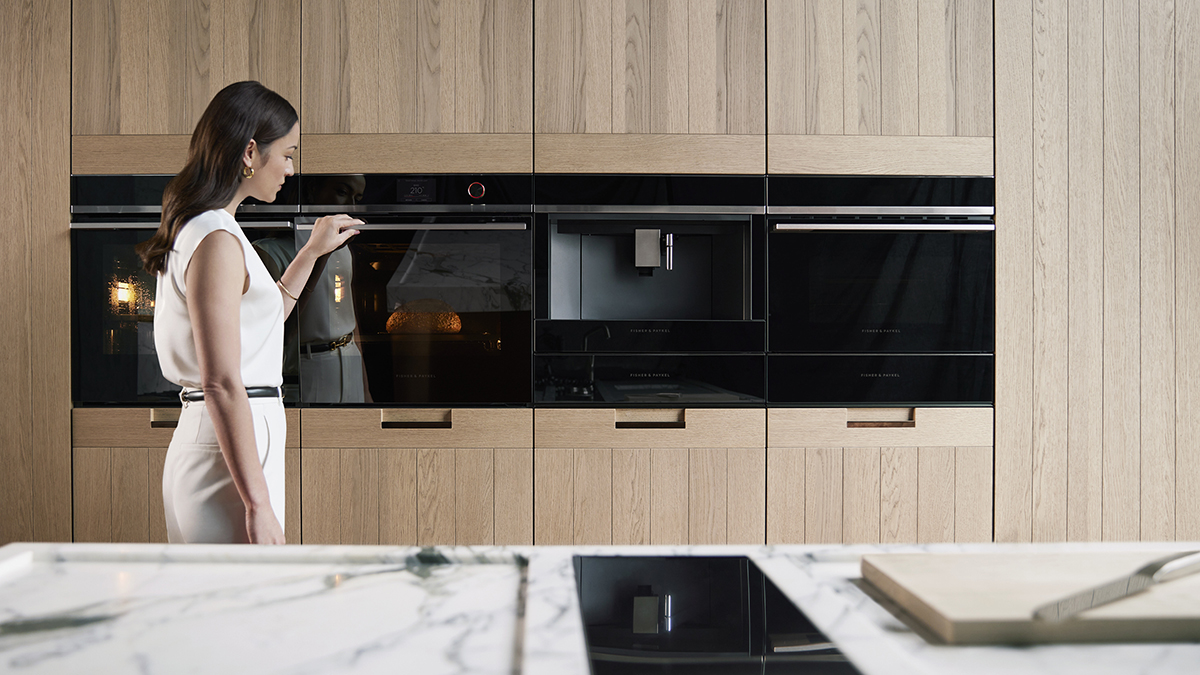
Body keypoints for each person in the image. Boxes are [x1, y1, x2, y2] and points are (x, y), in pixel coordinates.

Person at [136, 81, 361, 544]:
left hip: (223, 438)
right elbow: (221, 379)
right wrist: (257, 505)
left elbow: (259, 323)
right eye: (287, 153)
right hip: (227, 445)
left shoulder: (212, 227)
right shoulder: (217, 238)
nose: (291, 169)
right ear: (250, 152)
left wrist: (312, 253)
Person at [253, 174, 372, 403]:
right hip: (308, 368)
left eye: (357, 198)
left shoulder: (343, 250)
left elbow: (351, 322)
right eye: (342, 192)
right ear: (311, 191)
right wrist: (321, 254)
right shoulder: (268, 253)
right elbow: (278, 333)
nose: (351, 207)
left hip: (350, 360)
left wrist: (365, 389)